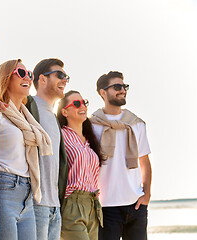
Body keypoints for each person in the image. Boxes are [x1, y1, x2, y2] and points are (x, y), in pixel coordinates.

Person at [0, 59, 53, 240]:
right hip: (4, 188)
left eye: (29, 74)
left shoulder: (27, 118)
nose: (27, 77)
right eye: (20, 73)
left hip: (27, 194)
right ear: (5, 79)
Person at [90, 71, 152, 240]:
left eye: (124, 87)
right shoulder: (92, 125)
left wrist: (146, 194)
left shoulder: (136, 124)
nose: (122, 90)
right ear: (103, 92)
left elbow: (144, 161)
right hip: (106, 206)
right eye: (117, 87)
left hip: (136, 205)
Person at [25, 58, 70, 240]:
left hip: (54, 207)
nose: (64, 80)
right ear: (42, 79)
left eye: (66, 76)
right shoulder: (28, 107)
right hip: (36, 205)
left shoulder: (52, 115)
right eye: (59, 75)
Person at [57, 90, 104, 240]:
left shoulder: (90, 140)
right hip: (72, 202)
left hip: (93, 204)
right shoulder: (61, 135)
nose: (82, 106)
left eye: (84, 102)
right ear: (65, 111)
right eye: (76, 103)